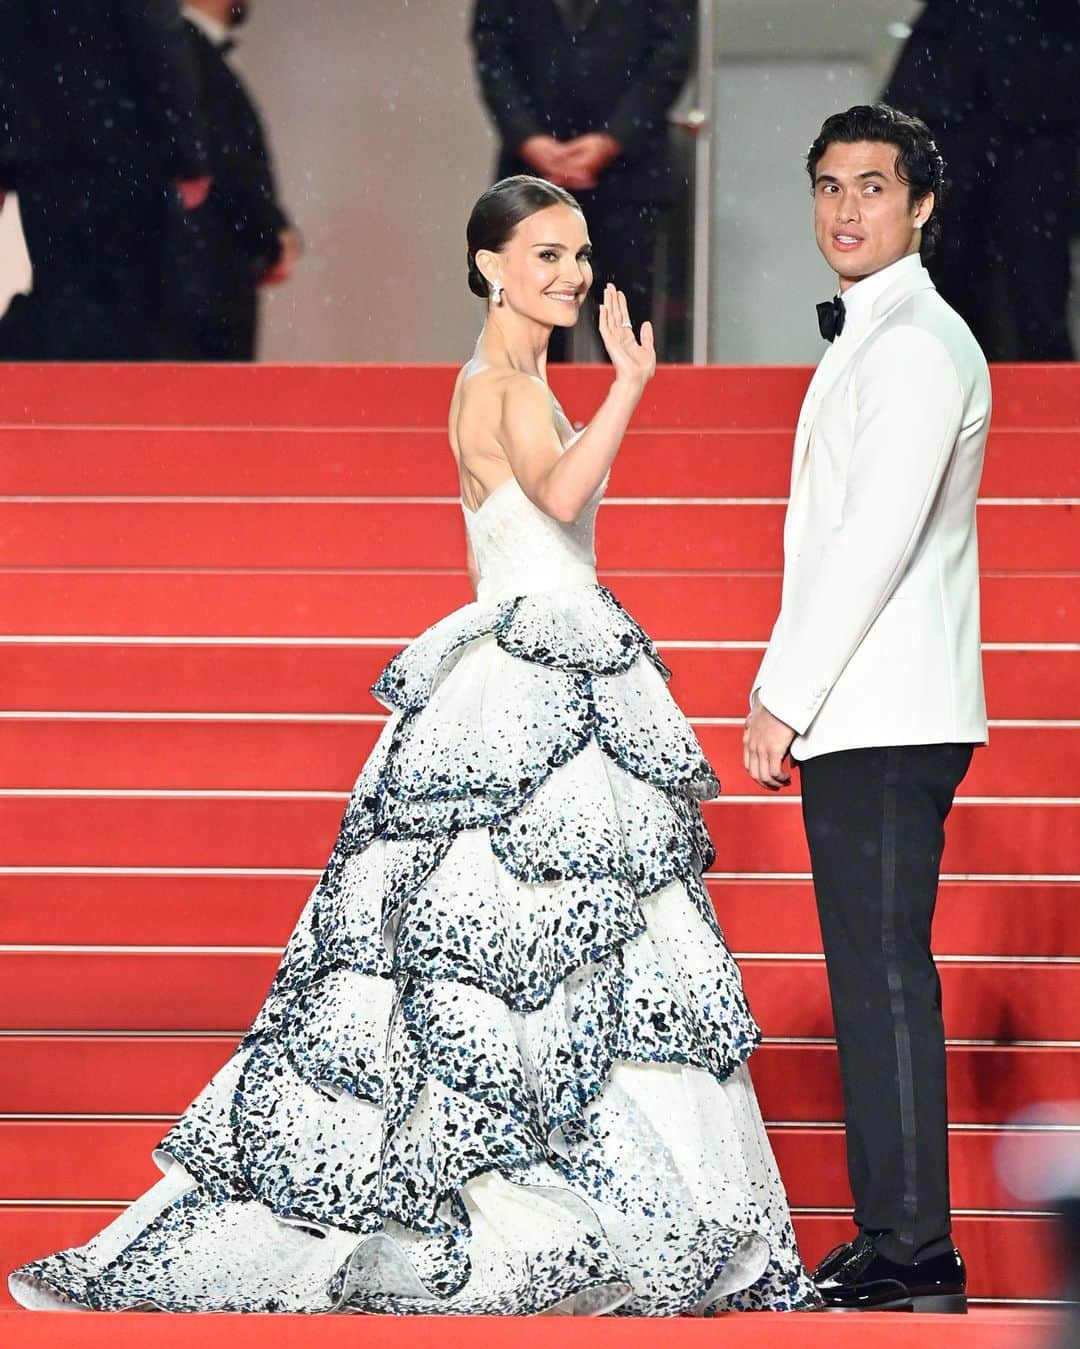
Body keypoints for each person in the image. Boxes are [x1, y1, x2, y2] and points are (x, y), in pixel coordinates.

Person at [8, 175, 819, 1316]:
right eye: (545, 255)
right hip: (531, 682)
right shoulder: (508, 389)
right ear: (489, 264)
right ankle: (547, 1198)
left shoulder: (500, 378)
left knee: (529, 947)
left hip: (518, 668)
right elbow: (557, 490)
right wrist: (634, 389)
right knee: (532, 944)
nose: (571, 275)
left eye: (577, 254)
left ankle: (547, 1182)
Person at [743, 105, 991, 1313]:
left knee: (883, 972)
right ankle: (892, 1229)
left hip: (884, 702)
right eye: (828, 186)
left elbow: (870, 545)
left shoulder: (915, 346)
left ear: (922, 205)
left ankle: (916, 1247)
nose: (846, 209)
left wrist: (780, 694)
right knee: (870, 970)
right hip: (877, 700)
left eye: (873, 187)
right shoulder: (881, 337)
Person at [470, 1, 693, 362]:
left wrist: (613, 139)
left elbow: (671, 56)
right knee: (527, 332)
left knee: (626, 326)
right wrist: (529, 139)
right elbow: (492, 53)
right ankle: (530, 417)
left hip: (630, 175)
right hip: (529, 175)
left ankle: (630, 417)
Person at [0, 0, 209, 360]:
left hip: (46, 159)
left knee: (62, 298)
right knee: (134, 312)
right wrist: (187, 155)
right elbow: (160, 46)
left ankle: (63, 407)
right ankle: (114, 407)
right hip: (124, 155)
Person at [882, 0, 1078, 361]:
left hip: (1043, 96)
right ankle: (952, 391)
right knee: (947, 272)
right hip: (950, 91)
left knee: (1038, 280)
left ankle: (1045, 404)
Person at [164, 0, 298, 361]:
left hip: (206, 286)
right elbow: (226, 159)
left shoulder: (191, 51)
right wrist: (270, 234)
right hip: (205, 290)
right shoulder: (184, 50)